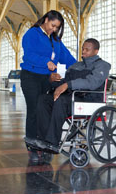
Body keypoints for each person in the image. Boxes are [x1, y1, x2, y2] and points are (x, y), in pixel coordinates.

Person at [27, 38, 110, 153]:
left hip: (88, 100)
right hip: (72, 98)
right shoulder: (76, 65)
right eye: (82, 49)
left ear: (96, 51)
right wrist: (52, 80)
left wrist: (68, 85)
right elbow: (64, 81)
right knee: (44, 99)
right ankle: (43, 139)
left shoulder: (103, 66)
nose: (83, 52)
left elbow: (92, 83)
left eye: (87, 49)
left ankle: (52, 142)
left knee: (61, 101)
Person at [20, 10, 76, 163]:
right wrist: (46, 62)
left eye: (57, 27)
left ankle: (45, 141)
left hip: (47, 78)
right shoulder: (32, 34)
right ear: (45, 20)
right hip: (31, 77)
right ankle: (31, 142)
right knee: (33, 109)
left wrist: (80, 66)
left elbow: (66, 57)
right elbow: (28, 55)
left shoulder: (56, 41)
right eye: (52, 25)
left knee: (44, 106)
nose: (54, 29)